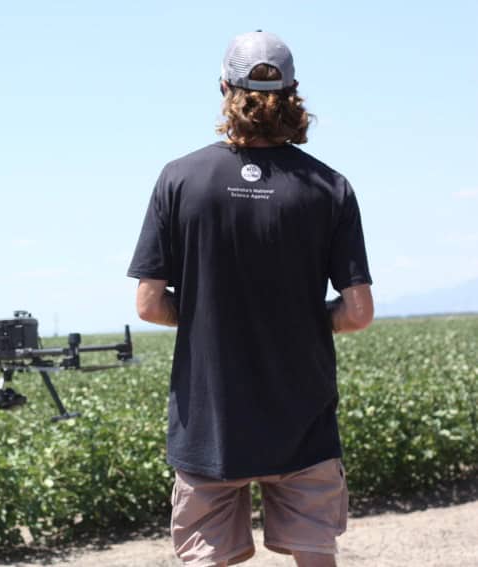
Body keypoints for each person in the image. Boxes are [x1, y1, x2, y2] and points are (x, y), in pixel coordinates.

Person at [126, 31, 374, 567]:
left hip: (210, 420)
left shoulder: (180, 178)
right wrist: (306, 317)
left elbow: (148, 303)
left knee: (208, 557)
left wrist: (208, 316)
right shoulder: (330, 187)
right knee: (314, 552)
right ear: (294, 93)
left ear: (223, 88)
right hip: (303, 419)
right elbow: (358, 313)